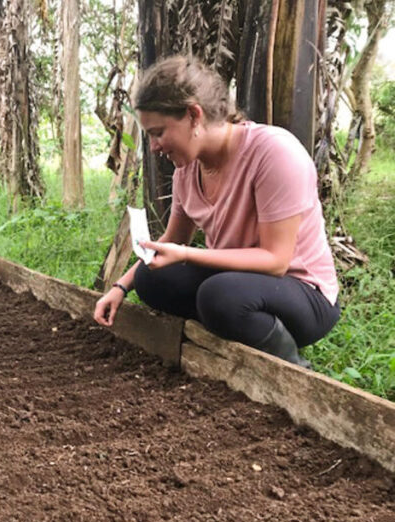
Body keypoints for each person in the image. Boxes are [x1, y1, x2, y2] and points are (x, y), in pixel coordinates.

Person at [93, 56, 340, 367]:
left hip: (303, 293)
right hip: (236, 282)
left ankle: (293, 368)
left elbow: (276, 261)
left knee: (220, 295)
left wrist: (185, 254)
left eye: (158, 132)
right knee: (151, 279)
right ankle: (225, 336)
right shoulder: (187, 170)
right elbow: (170, 241)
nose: (154, 146)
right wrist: (120, 287)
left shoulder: (274, 153)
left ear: (194, 115)